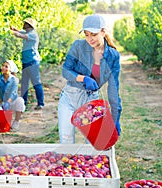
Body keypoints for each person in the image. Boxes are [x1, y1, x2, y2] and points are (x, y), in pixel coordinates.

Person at [58, 14, 122, 144]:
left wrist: (116, 118)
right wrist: (83, 78)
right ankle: (68, 164)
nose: (89, 39)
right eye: (86, 34)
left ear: (103, 32)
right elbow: (65, 70)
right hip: (71, 96)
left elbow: (113, 89)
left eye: (93, 34)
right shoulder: (78, 46)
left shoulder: (113, 56)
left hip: (91, 100)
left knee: (93, 141)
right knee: (66, 138)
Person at [10, 18, 45, 110]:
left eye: (25, 23)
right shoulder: (27, 32)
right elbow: (19, 31)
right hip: (26, 62)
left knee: (36, 82)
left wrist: (14, 33)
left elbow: (20, 35)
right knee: (24, 84)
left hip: (33, 62)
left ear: (29, 25)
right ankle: (23, 103)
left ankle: (40, 103)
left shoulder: (33, 34)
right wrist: (13, 29)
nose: (23, 24)